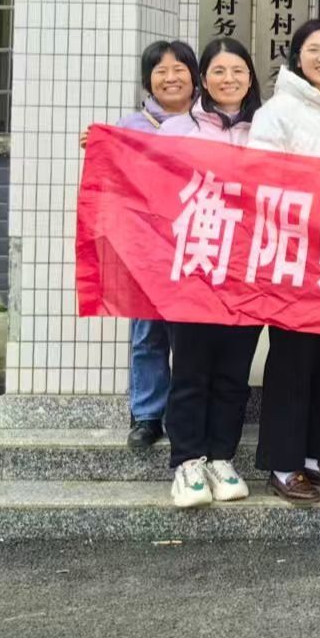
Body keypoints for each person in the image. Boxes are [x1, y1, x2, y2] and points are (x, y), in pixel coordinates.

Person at [248, 19, 320, 504]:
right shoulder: (277, 111)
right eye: (313, 49)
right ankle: (283, 463)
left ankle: (315, 455)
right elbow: (260, 178)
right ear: (297, 58)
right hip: (292, 257)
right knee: (292, 362)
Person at [158, 37, 263, 509]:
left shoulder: (266, 129)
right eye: (218, 71)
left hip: (249, 270)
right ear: (203, 79)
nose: (229, 79)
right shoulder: (178, 129)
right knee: (191, 370)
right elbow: (150, 187)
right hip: (194, 269)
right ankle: (188, 461)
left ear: (250, 77)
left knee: (233, 373)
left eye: (237, 70)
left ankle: (222, 457)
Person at [90, 39, 199, 453]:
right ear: (148, 80)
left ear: (194, 76)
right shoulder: (130, 126)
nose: (171, 78)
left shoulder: (208, 123)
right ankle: (147, 415)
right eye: (160, 71)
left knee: (190, 336)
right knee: (147, 333)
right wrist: (99, 148)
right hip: (146, 248)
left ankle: (185, 413)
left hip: (197, 246)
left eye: (179, 69)